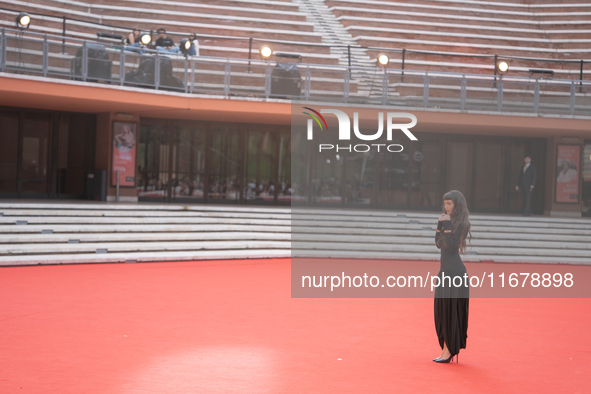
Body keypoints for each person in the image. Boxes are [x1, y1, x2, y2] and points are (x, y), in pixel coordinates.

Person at [433, 190, 471, 364]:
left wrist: (447, 224)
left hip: (455, 274)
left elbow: (451, 246)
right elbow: (439, 243)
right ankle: (444, 348)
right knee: (441, 312)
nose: (446, 206)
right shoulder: (448, 221)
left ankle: (448, 350)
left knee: (450, 312)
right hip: (444, 273)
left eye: (449, 203)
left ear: (457, 205)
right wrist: (440, 225)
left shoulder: (463, 224)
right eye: (445, 203)